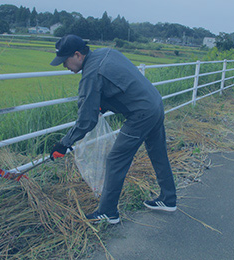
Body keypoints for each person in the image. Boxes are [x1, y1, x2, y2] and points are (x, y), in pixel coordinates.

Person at [49, 34, 177, 224]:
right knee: (158, 153)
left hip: (140, 114)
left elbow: (86, 120)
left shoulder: (91, 74)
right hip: (155, 103)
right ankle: (168, 199)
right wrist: (102, 105)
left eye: (65, 61)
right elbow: (119, 84)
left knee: (115, 159)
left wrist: (64, 143)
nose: (64, 66)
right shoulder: (105, 53)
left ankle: (108, 211)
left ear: (77, 55)